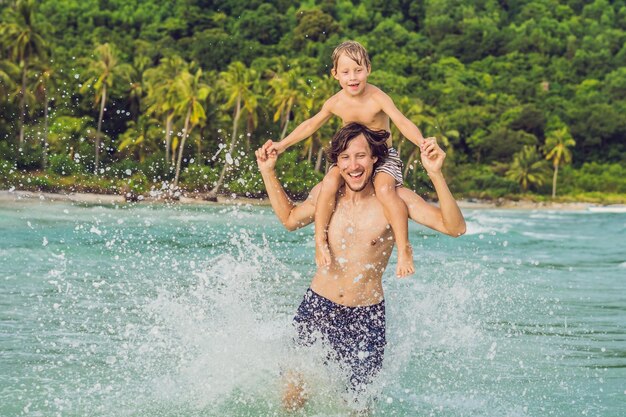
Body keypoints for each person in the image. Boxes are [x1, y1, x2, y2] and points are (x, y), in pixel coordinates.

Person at [255, 123, 466, 412]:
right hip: (318, 307)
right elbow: (290, 219)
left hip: (366, 319)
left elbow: (455, 227)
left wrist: (435, 174)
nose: (353, 165)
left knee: (358, 407)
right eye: (345, 158)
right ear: (337, 162)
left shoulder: (396, 199)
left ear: (374, 158)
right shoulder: (327, 194)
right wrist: (268, 171)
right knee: (293, 396)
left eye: (360, 156)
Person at [264, 40, 428, 278]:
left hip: (382, 157)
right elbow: (310, 124)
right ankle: (320, 240)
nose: (353, 77)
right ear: (335, 75)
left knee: (384, 190)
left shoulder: (378, 98)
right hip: (351, 159)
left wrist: (422, 143)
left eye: (358, 70)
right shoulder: (335, 102)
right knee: (329, 183)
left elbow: (401, 121)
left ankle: (404, 249)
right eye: (346, 72)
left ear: (368, 69)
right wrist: (281, 145)